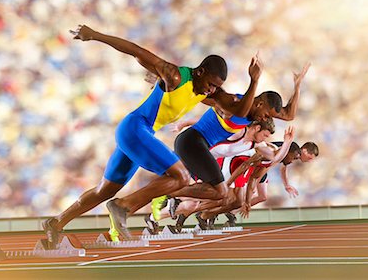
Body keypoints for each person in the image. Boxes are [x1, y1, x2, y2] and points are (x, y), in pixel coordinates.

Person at [43, 24, 262, 245]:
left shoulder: (207, 93)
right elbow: (136, 51)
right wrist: (95, 35)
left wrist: (254, 81)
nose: (212, 90)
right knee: (181, 176)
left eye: (216, 87)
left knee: (104, 190)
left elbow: (240, 112)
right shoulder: (175, 76)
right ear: (200, 71)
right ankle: (123, 206)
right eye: (211, 84)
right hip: (135, 128)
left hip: (140, 134)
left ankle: (56, 223)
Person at [162, 63, 310, 212]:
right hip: (192, 145)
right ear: (259, 104)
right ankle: (169, 197)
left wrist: (297, 86)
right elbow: (202, 96)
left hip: (201, 151)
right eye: (266, 115)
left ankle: (170, 197)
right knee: (214, 192)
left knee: (217, 193)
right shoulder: (234, 108)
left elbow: (288, 117)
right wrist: (169, 84)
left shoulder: (254, 136)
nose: (266, 119)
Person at [144, 118, 278, 233]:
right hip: (194, 153)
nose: (265, 139)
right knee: (210, 196)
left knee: (212, 196)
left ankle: (168, 207)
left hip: (206, 161)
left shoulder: (257, 145)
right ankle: (172, 199)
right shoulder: (238, 132)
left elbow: (275, 157)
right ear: (257, 128)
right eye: (265, 135)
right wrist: (184, 123)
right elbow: (206, 125)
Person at [223, 141, 319, 227]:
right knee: (246, 192)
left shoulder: (293, 154)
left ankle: (232, 212)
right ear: (305, 151)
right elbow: (268, 165)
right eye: (310, 158)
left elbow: (283, 168)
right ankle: (223, 209)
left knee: (262, 196)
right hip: (254, 164)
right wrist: (254, 183)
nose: (309, 161)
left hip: (261, 165)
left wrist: (286, 185)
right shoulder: (290, 150)